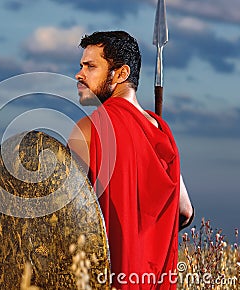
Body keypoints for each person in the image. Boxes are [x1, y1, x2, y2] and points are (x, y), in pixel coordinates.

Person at [68, 31, 194, 289]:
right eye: (81, 66)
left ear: (121, 74)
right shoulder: (162, 132)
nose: (79, 75)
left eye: (90, 66)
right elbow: (185, 211)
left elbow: (65, 218)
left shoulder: (89, 129)